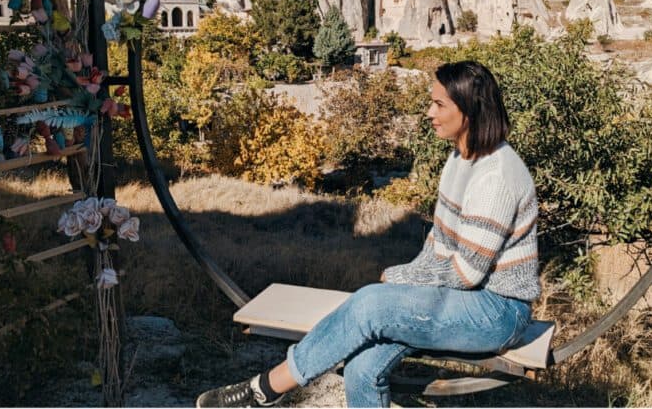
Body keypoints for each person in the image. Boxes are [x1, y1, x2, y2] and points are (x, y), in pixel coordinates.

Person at [196, 60, 541, 408]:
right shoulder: (459, 159)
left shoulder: (495, 177)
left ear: (469, 109)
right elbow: (438, 243)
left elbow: (467, 273)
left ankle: (265, 389)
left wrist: (397, 277)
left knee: (370, 304)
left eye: (439, 104)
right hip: (458, 300)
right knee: (362, 367)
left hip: (497, 311)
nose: (428, 112)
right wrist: (405, 285)